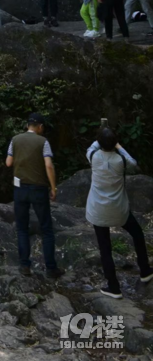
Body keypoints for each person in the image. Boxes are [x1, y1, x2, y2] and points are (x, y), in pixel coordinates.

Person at [86, 126, 153, 297]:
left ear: (99, 143)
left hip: (98, 210)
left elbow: (92, 147)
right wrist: (117, 145)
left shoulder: (93, 157)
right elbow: (133, 163)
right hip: (119, 209)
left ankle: (114, 287)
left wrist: (102, 136)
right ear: (114, 142)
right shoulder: (120, 161)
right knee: (137, 233)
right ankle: (145, 270)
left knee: (105, 248)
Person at [6, 112, 62, 279]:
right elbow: (49, 165)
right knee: (46, 229)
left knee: (22, 228)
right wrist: (53, 188)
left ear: (27, 125)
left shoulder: (15, 139)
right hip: (38, 189)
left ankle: (25, 266)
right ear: (40, 127)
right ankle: (51, 268)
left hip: (20, 189)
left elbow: (8, 162)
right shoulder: (43, 142)